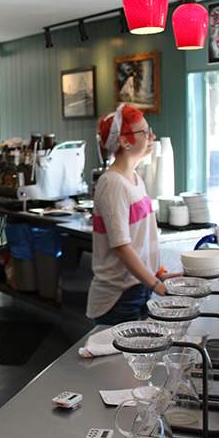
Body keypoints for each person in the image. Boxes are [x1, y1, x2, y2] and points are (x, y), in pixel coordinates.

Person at [87, 104, 167, 326]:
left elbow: (139, 238)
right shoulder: (112, 183)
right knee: (120, 360)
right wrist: (154, 284)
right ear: (124, 141)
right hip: (118, 297)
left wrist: (156, 274)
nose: (152, 136)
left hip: (137, 287)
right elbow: (121, 246)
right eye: (144, 132)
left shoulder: (134, 178)